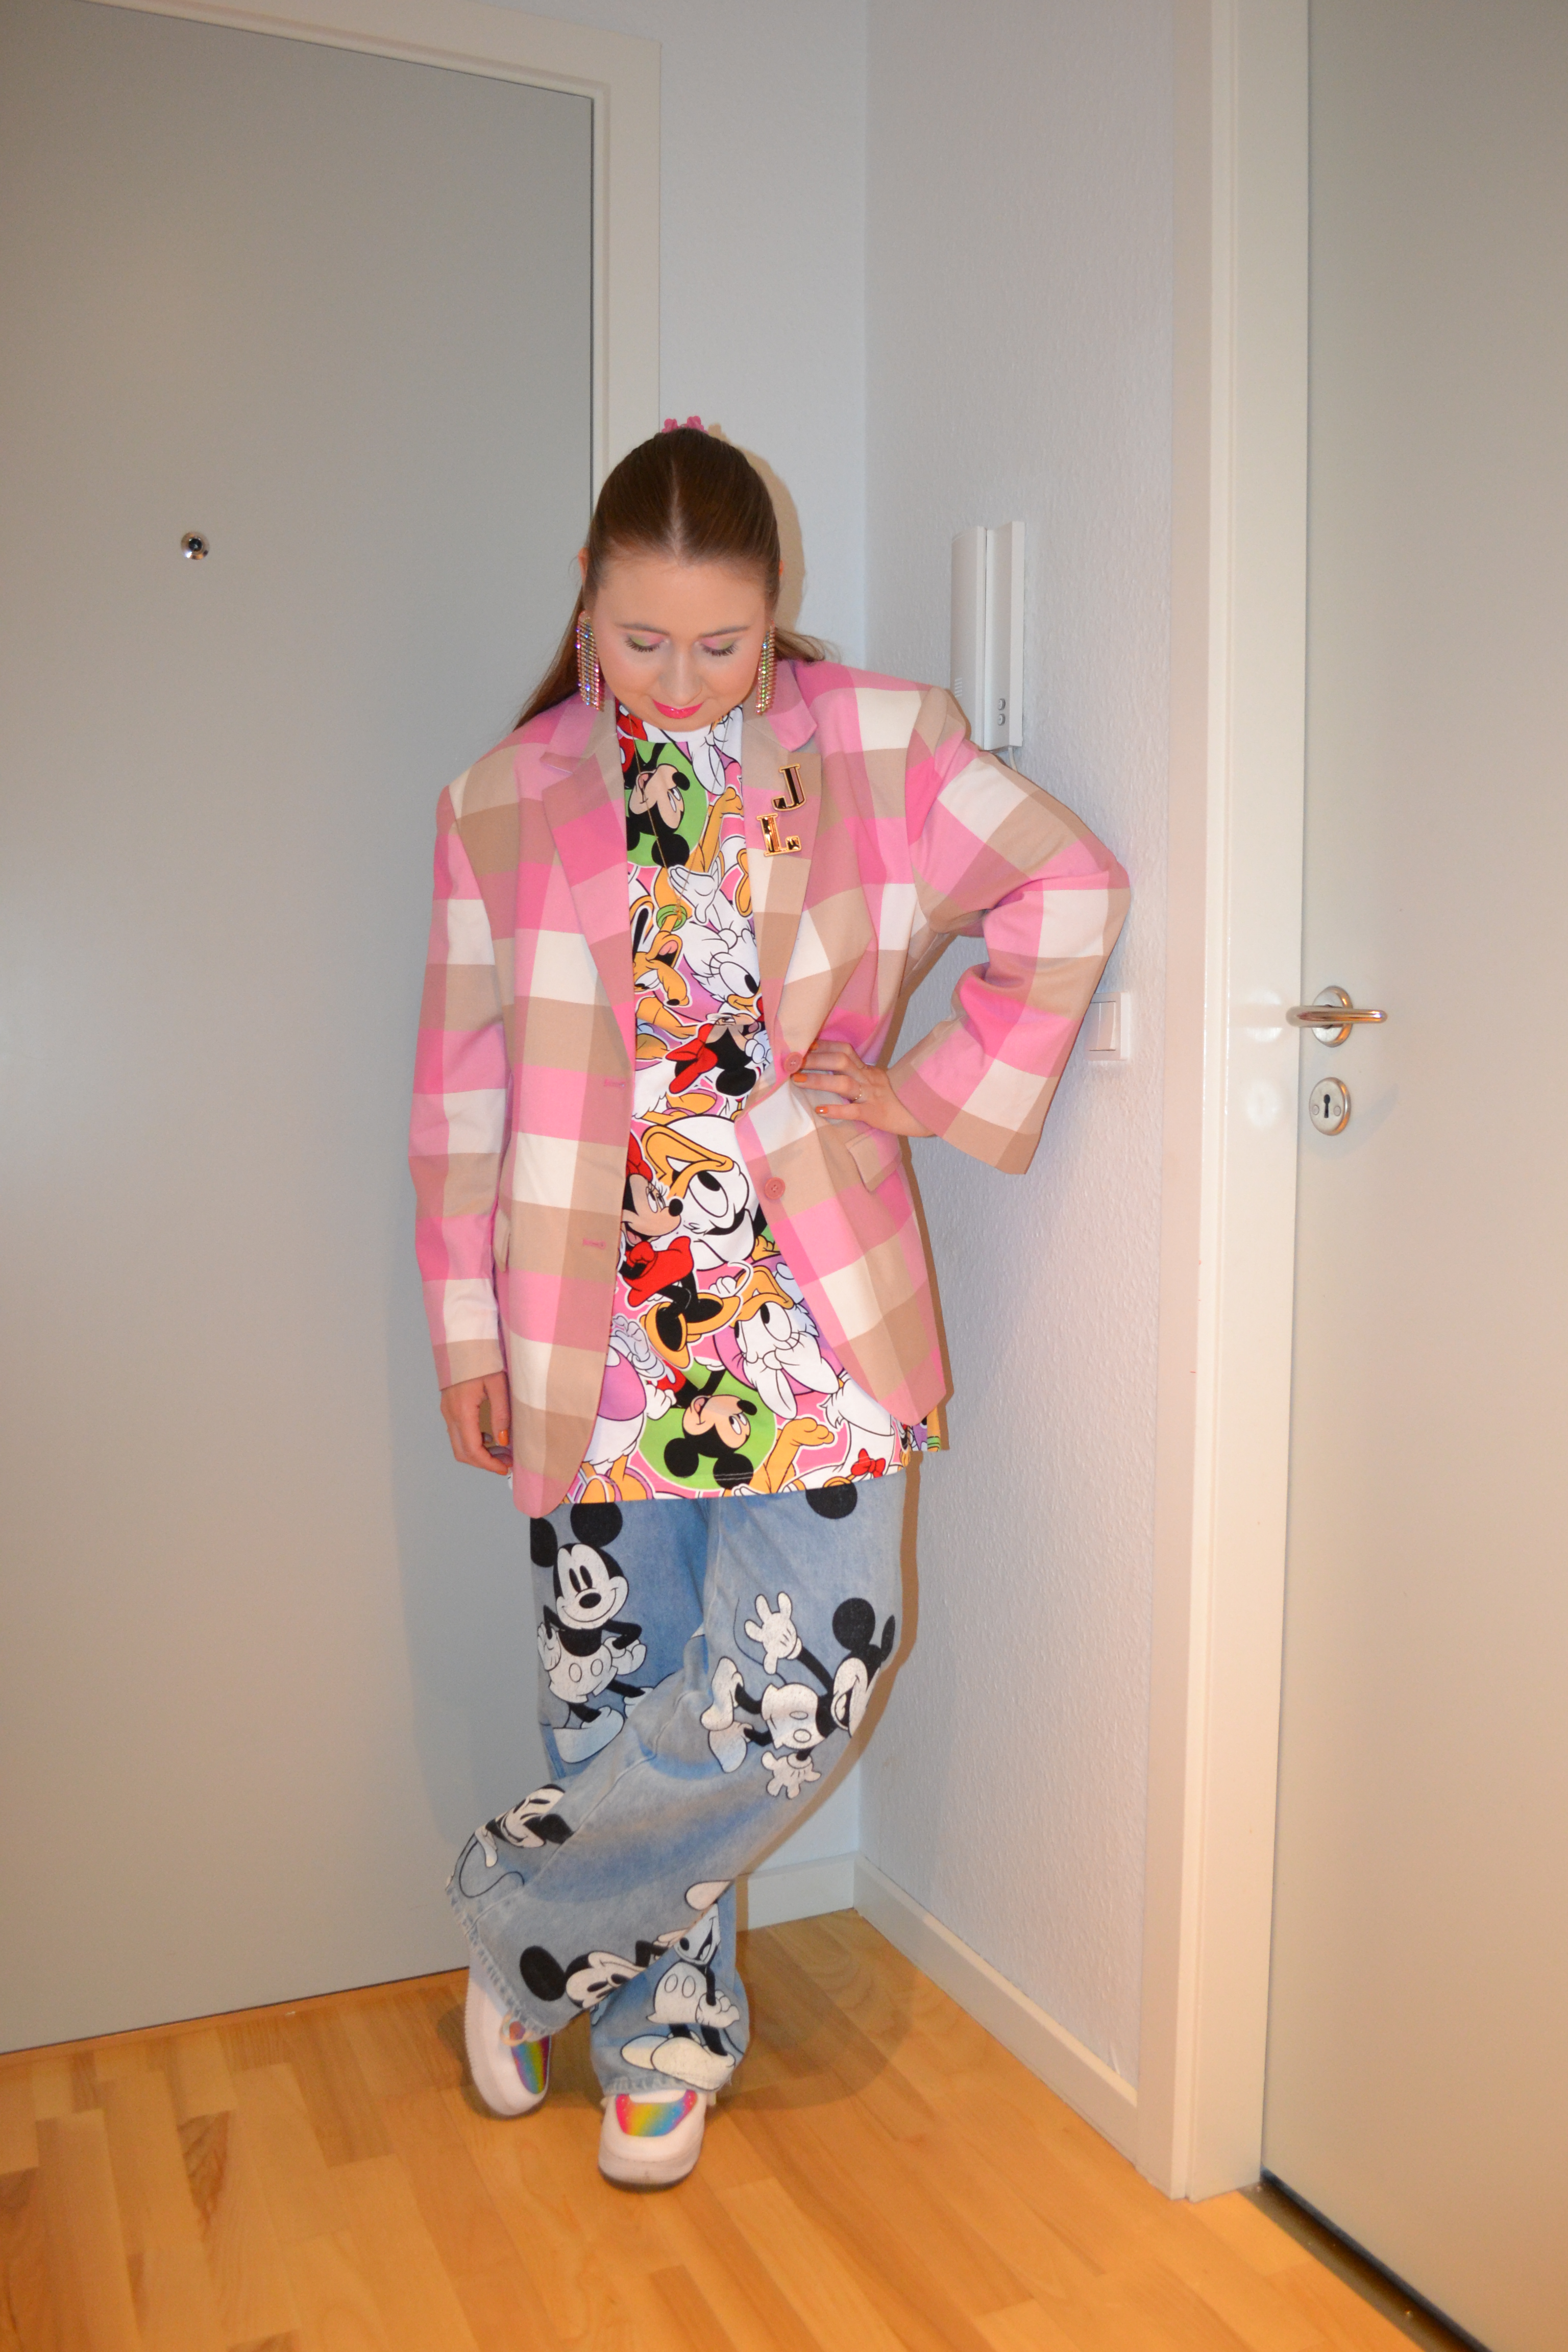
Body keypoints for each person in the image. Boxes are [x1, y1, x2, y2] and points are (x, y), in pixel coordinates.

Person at [409, 422, 1127, 2187]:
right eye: (641, 639)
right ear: (587, 607)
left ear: (775, 614)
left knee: (811, 1672)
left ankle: (523, 1922)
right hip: (587, 1320)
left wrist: (932, 1085)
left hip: (811, 1305)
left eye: (721, 644)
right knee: (619, 1675)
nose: (679, 680)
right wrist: (466, 1336)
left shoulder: (881, 742)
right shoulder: (501, 801)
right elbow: (460, 1096)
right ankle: (663, 2027)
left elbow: (1071, 888)